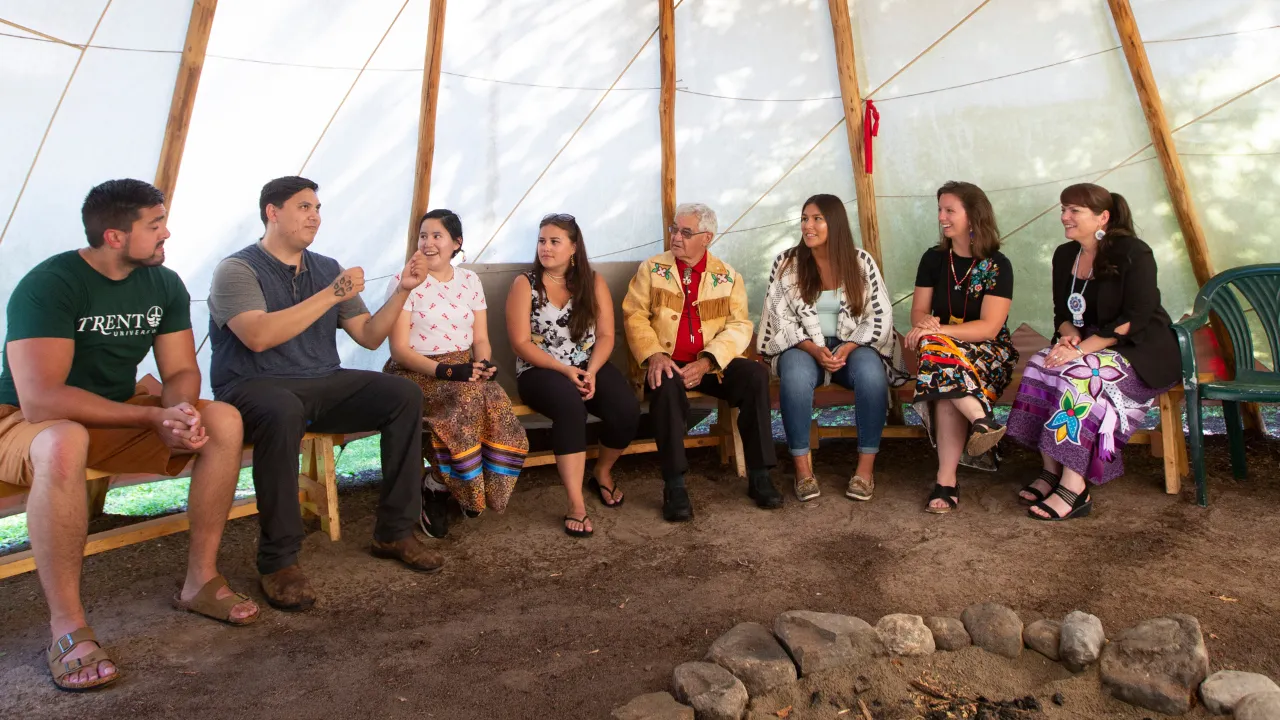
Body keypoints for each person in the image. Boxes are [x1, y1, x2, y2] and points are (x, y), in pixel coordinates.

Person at [0, 179, 258, 691]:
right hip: (25, 421)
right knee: (64, 439)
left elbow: (181, 368)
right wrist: (148, 419)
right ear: (115, 237)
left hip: (115, 413)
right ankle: (67, 627)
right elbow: (42, 400)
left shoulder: (162, 283)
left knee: (223, 419)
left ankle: (200, 582)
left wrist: (179, 412)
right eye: (155, 224)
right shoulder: (50, 284)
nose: (168, 232)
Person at [208, 176, 442, 612]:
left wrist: (402, 290)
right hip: (254, 384)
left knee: (402, 395)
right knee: (281, 411)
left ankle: (394, 532)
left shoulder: (326, 266)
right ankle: (278, 561)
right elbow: (258, 336)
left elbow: (370, 336)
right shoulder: (237, 270)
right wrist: (331, 294)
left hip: (321, 380)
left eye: (318, 208)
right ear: (271, 213)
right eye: (303, 207)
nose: (315, 216)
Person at [1006, 184, 1180, 520]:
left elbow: (1138, 316)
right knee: (1040, 364)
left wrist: (1080, 351)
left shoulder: (1133, 252)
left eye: (1074, 211)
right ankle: (1051, 468)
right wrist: (1068, 340)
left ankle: (1075, 488)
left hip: (1141, 351)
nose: (1064, 217)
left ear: (1103, 216)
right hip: (1089, 345)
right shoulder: (1064, 255)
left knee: (1082, 376)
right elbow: (1062, 313)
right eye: (1063, 209)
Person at [623, 203, 783, 522]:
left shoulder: (727, 276)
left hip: (711, 366)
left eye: (686, 232)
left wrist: (709, 360)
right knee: (665, 385)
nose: (676, 238)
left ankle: (760, 474)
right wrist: (655, 354)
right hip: (667, 362)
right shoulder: (652, 270)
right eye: (674, 230)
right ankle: (675, 484)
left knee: (754, 375)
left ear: (706, 237)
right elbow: (634, 315)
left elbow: (740, 326)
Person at [384, 209, 527, 539]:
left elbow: (480, 339)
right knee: (464, 402)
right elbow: (399, 351)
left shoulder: (470, 280)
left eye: (437, 236)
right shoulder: (404, 281)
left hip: (463, 369)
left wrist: (483, 365)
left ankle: (448, 483)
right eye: (423, 236)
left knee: (496, 403)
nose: (428, 242)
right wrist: (448, 370)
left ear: (456, 243)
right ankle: (440, 487)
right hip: (416, 371)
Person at [757, 194, 908, 502]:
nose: (807, 226)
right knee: (796, 375)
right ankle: (803, 471)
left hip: (853, 346)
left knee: (870, 373)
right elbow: (778, 318)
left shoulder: (860, 262)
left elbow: (879, 314)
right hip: (802, 346)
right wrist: (814, 349)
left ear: (835, 223)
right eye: (804, 218)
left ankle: (865, 471)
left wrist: (850, 345)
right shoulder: (787, 263)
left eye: (817, 219)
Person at [508, 214, 640, 537]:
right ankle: (575, 503)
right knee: (570, 406)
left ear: (573, 247)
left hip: (586, 364)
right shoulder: (525, 284)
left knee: (625, 408)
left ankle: (603, 472)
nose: (546, 248)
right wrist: (565, 370)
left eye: (554, 242)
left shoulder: (593, 282)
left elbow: (607, 336)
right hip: (540, 369)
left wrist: (591, 370)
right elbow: (520, 343)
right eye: (541, 241)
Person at [904, 181, 1017, 513]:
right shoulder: (934, 259)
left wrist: (936, 333)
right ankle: (982, 421)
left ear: (973, 215)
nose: (941, 216)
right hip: (946, 355)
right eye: (940, 209)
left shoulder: (997, 265)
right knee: (943, 369)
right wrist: (925, 324)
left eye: (949, 210)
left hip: (989, 352)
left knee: (939, 361)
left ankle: (946, 482)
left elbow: (989, 327)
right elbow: (919, 312)